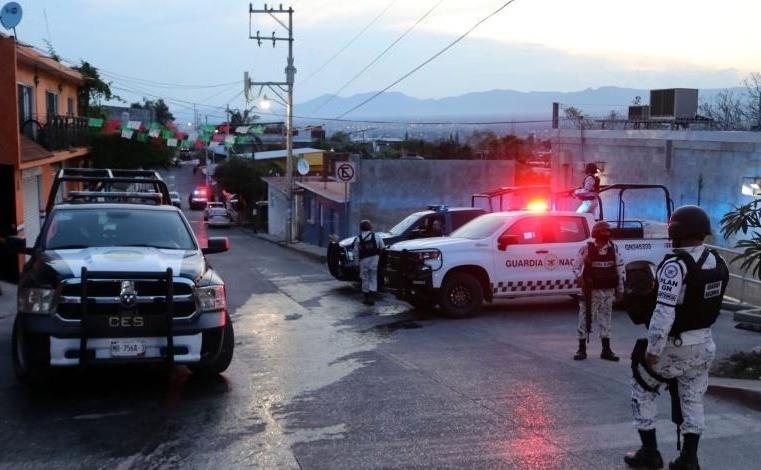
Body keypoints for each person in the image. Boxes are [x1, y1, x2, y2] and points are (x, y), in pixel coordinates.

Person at [625, 205, 729, 470]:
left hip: (675, 345)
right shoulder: (718, 261)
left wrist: (653, 349)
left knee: (641, 389)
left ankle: (649, 453)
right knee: (692, 399)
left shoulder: (675, 266)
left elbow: (664, 311)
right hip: (704, 344)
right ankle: (689, 459)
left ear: (677, 233)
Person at [572, 221, 624, 361]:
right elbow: (575, 267)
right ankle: (581, 349)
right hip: (590, 292)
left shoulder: (614, 249)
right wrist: (580, 279)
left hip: (607, 291)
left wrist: (620, 290)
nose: (607, 234)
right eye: (604, 232)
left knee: (606, 319)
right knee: (585, 318)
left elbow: (620, 270)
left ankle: (606, 350)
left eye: (608, 232)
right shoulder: (586, 249)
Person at [355, 220, 385, 306]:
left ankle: (366, 297)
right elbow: (382, 247)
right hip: (374, 260)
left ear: (361, 228)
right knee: (373, 278)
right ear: (370, 227)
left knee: (365, 278)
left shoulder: (358, 238)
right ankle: (372, 297)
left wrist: (357, 263)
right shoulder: (376, 236)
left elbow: (356, 252)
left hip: (363, 262)